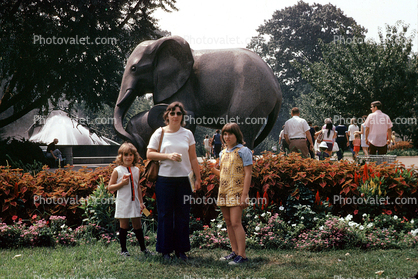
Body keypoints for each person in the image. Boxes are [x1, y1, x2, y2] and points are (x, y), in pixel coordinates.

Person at [147, 102, 201, 261]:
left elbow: (193, 158)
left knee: (183, 215)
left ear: (182, 116)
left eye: (178, 113)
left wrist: (198, 178)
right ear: (167, 116)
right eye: (172, 113)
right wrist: (168, 156)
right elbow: (149, 154)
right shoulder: (160, 132)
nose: (175, 116)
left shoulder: (188, 134)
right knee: (165, 215)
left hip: (184, 180)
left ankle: (181, 250)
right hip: (165, 180)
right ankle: (165, 251)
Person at [211, 123, 252, 265]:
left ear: (237, 135)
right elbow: (223, 173)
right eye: (225, 134)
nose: (227, 137)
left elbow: (248, 173)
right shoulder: (222, 152)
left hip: (237, 191)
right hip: (224, 191)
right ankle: (234, 252)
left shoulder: (243, 151)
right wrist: (212, 169)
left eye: (230, 134)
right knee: (228, 223)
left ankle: (243, 255)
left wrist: (244, 194)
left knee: (236, 223)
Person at [107, 142, 150, 257]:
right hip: (123, 201)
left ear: (134, 156)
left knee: (138, 225)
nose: (128, 157)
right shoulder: (117, 170)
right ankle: (124, 249)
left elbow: (138, 187)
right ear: (121, 156)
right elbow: (110, 187)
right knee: (124, 225)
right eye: (126, 155)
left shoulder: (136, 170)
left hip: (135, 201)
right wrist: (121, 183)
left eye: (131, 155)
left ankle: (143, 249)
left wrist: (141, 202)